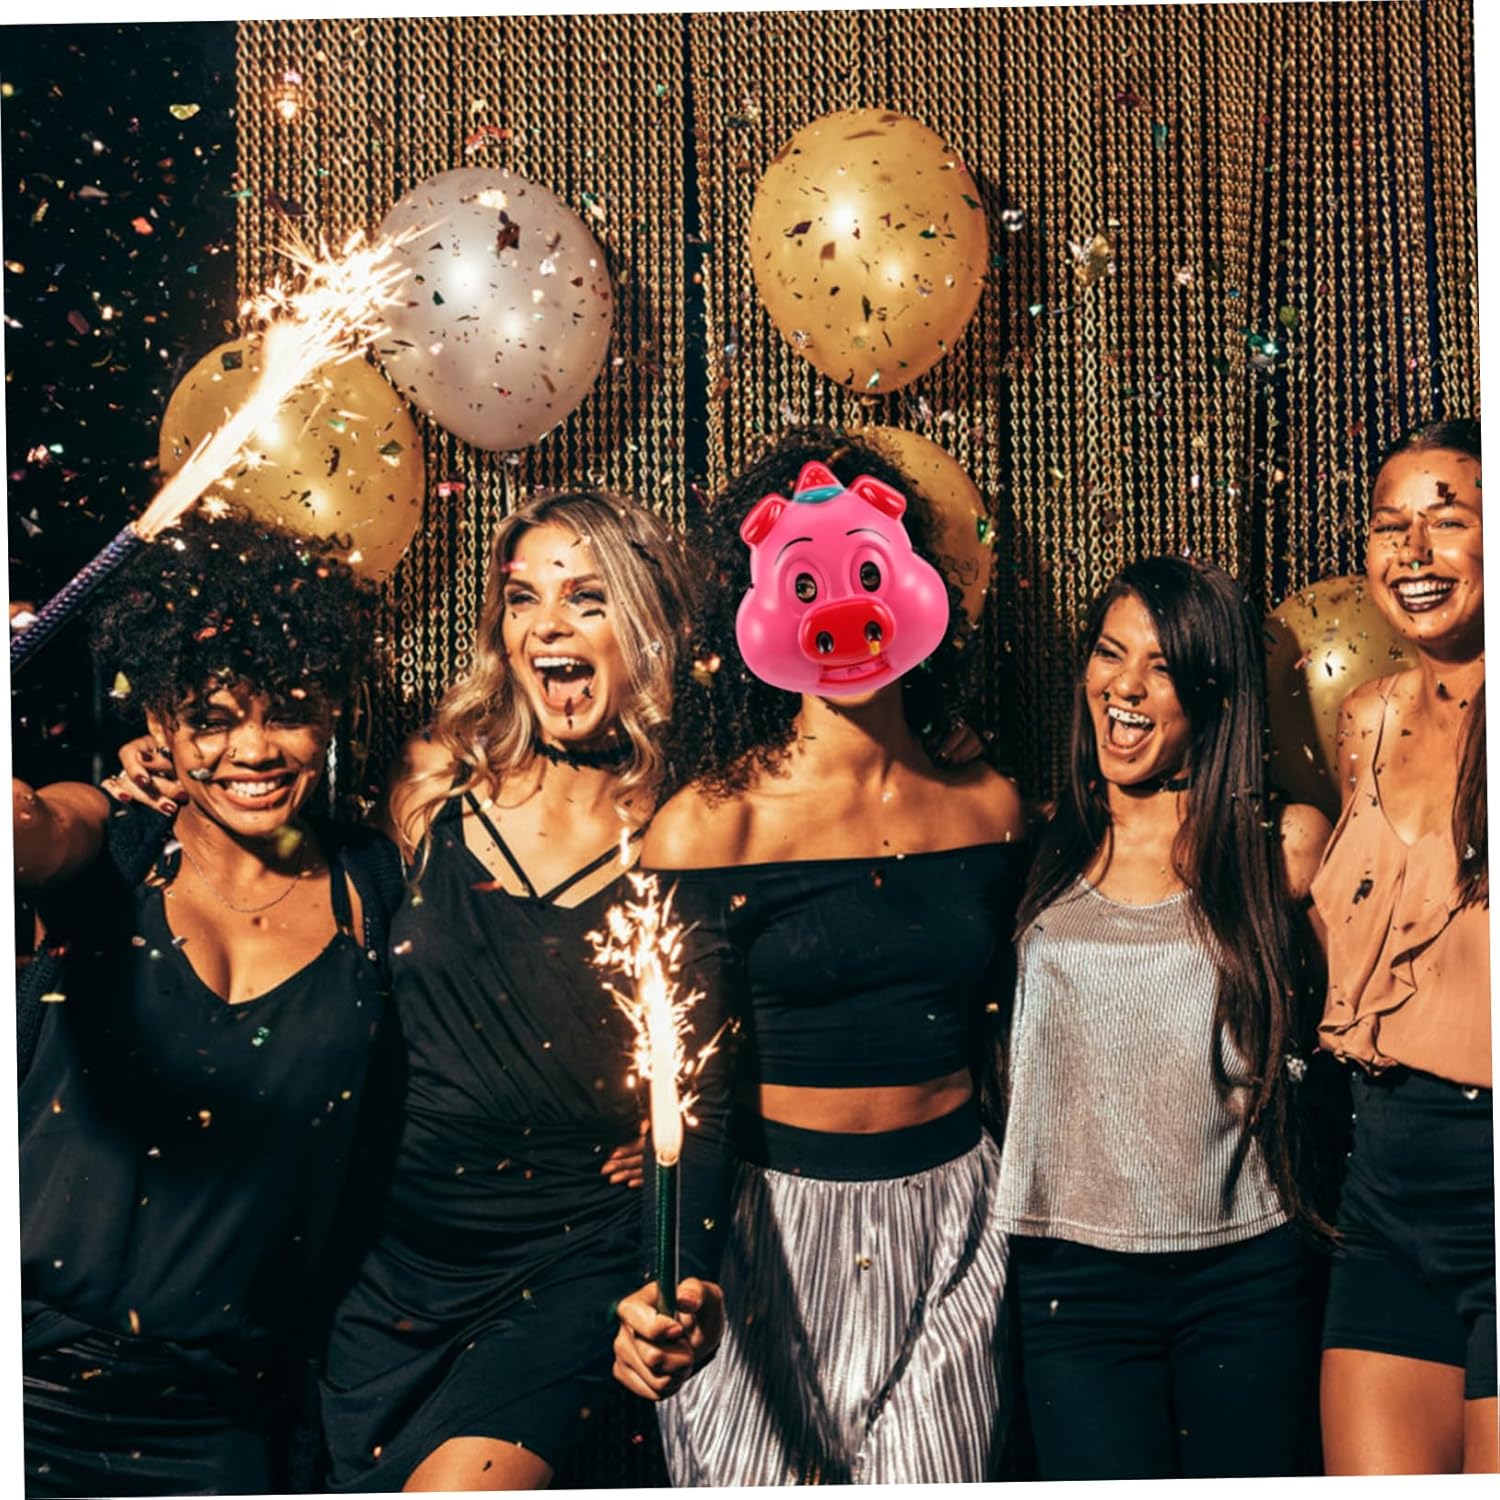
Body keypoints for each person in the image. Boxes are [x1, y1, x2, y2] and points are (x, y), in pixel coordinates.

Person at [609, 429, 1029, 1485]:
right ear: (756, 606)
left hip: (954, 1220)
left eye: (865, 572)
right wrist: (680, 1276)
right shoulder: (710, 827)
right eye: (804, 584)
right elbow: (691, 1092)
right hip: (768, 1235)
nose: (838, 612)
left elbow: (1016, 1038)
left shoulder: (988, 807)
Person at [313, 489, 730, 1493]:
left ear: (647, 626)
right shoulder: (432, 791)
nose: (547, 625)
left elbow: (709, 1093)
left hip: (564, 1263)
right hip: (389, 1264)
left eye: (586, 599)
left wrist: (682, 1277)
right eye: (522, 599)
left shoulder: (690, 826)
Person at [15, 513, 398, 1497]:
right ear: (159, 722)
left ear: (332, 710)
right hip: (23, 1390)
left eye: (288, 711)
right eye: (214, 718)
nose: (254, 749)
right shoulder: (108, 844)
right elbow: (29, 825)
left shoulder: (377, 892)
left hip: (218, 1423)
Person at [995, 555, 1332, 1479]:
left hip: (1243, 1272)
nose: (1126, 687)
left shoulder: (1278, 847)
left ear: (1214, 693)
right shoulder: (1029, 840)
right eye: (1110, 654)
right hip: (1071, 1278)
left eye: (1163, 667)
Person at [1313, 418, 1494, 1474]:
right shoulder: (1367, 721)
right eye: (1391, 526)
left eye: (1448, 519)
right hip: (1381, 1184)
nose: (1413, 551)